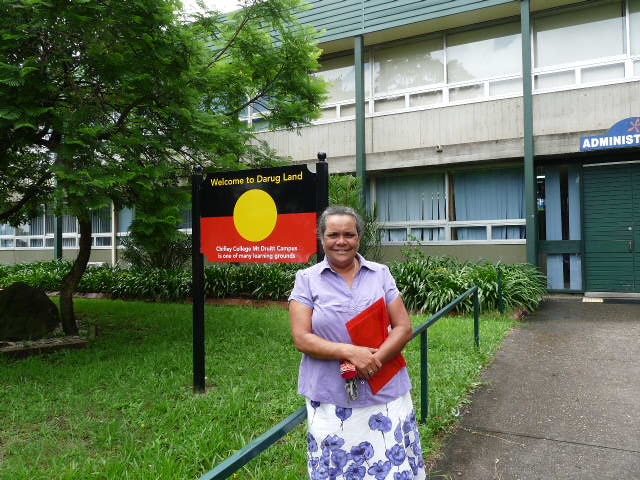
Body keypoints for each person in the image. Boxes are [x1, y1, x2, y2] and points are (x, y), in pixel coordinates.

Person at [289, 205, 426, 480]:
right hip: (330, 395)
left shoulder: (380, 273)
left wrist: (374, 361)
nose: (341, 241)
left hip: (385, 391)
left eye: (349, 234)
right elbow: (302, 338)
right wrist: (351, 352)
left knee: (389, 464)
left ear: (359, 238)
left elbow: (403, 326)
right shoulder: (307, 280)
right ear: (322, 237)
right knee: (336, 468)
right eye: (333, 235)